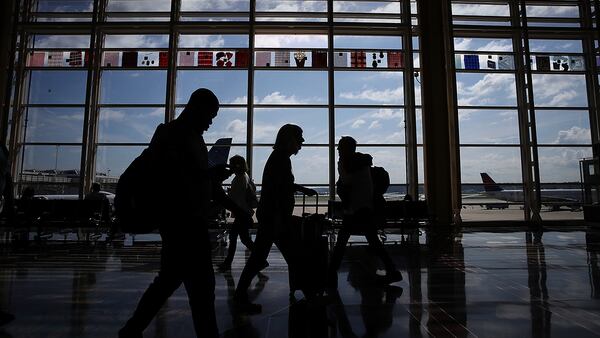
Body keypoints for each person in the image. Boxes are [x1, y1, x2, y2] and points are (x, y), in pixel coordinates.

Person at [119, 88, 232, 338]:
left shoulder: (183, 135)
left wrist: (208, 179)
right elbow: (173, 178)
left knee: (170, 282)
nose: (211, 122)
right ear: (197, 109)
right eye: (210, 115)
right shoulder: (175, 134)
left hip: (183, 222)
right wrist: (208, 176)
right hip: (184, 222)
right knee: (201, 287)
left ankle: (131, 330)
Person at [233, 124, 316, 313]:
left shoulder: (279, 157)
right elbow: (281, 189)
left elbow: (282, 185)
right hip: (276, 218)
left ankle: (309, 293)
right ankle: (310, 294)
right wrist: (281, 218)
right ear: (290, 139)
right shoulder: (281, 159)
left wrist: (301, 190)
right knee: (288, 256)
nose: (302, 142)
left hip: (273, 216)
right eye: (299, 137)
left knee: (269, 257)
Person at [328, 136, 402, 289]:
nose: (338, 150)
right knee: (371, 241)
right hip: (363, 208)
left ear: (346, 149)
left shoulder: (349, 164)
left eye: (340, 148)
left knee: (343, 241)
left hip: (356, 210)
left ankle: (330, 273)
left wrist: (340, 171)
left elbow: (346, 181)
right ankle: (393, 271)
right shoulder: (362, 163)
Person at [218, 155, 258, 272]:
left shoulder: (238, 179)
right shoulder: (245, 176)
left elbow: (236, 198)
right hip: (244, 213)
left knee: (235, 237)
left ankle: (228, 263)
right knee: (243, 239)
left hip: (241, 213)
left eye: (231, 164)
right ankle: (260, 258)